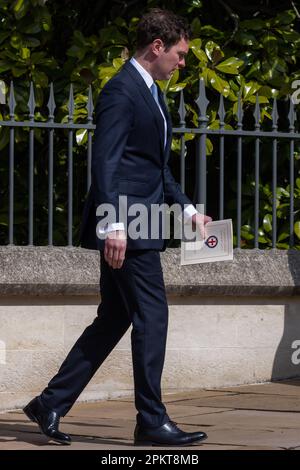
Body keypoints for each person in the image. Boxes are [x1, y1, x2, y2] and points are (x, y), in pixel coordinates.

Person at [23, 8, 211, 446]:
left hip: (139, 221)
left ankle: (50, 402)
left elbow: (153, 167)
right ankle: (151, 421)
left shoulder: (151, 92)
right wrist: (115, 226)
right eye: (179, 55)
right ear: (157, 46)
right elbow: (105, 165)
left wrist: (188, 212)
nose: (182, 63)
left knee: (115, 317)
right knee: (152, 315)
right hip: (128, 226)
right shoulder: (121, 91)